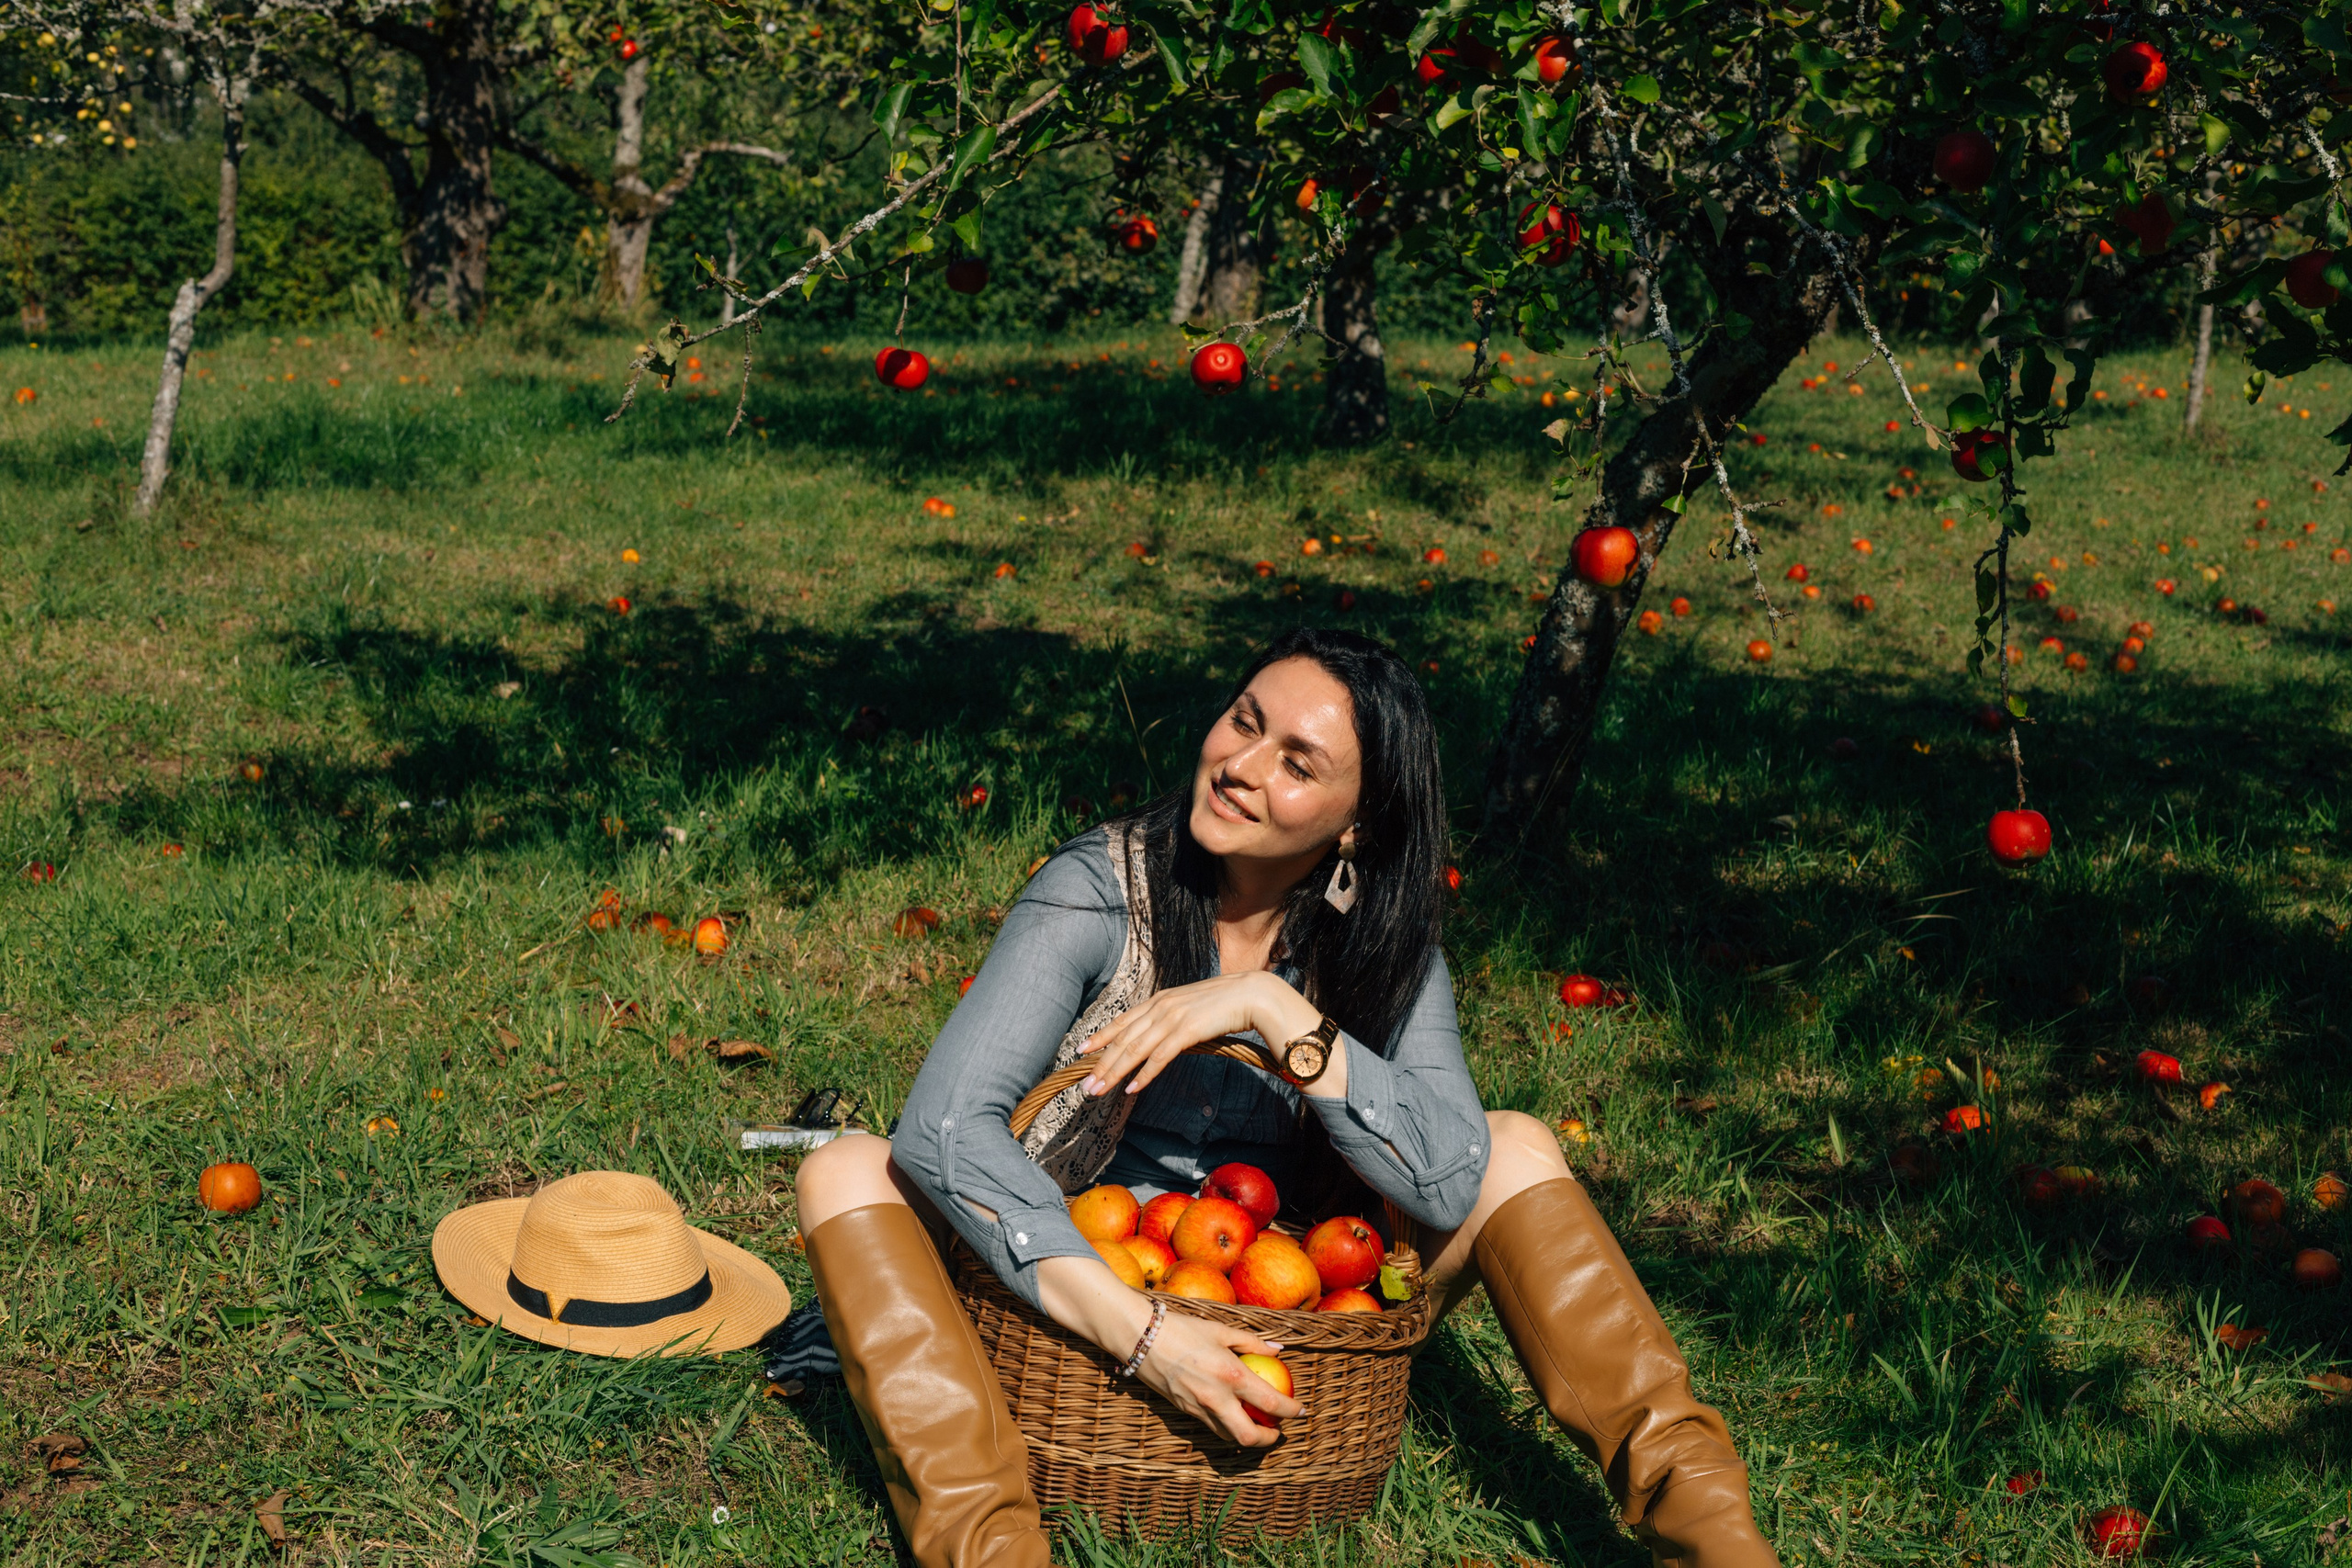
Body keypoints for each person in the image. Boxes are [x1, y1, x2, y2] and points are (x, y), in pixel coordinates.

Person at [795, 628, 1779, 1568]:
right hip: (1068, 1289)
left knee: (1514, 1145)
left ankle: (1717, 1543)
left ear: (1357, 824)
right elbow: (944, 1126)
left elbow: (1447, 1178)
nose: (1242, 765)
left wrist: (1275, 1011)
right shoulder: (1100, 889)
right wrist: (1145, 1333)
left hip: (1293, 1298)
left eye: (1297, 764)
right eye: (1245, 721)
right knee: (845, 1168)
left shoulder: (1383, 943)